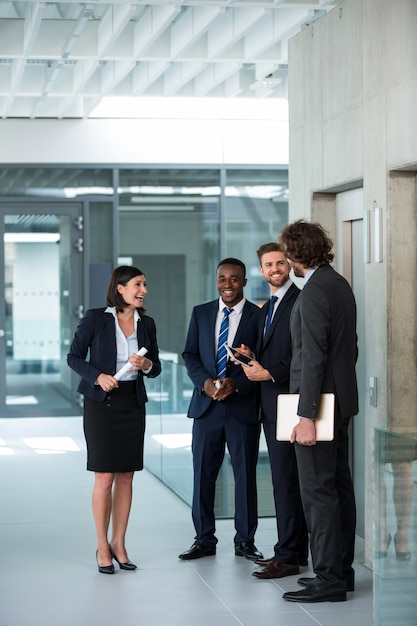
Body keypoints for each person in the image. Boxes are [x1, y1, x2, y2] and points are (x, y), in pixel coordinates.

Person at [279, 220, 358, 603]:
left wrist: (306, 415)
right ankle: (341, 571)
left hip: (318, 406)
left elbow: (312, 356)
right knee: (339, 487)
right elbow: (349, 348)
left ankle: (328, 579)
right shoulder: (338, 284)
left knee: (318, 491)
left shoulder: (311, 293)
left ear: (294, 255)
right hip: (339, 401)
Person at [67, 266, 161, 574]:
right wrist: (99, 376)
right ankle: (102, 545)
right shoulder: (96, 318)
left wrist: (146, 363)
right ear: (120, 288)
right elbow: (74, 357)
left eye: (144, 284)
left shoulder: (146, 323)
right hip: (101, 403)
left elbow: (155, 367)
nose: (143, 289)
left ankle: (119, 542)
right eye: (137, 284)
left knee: (126, 476)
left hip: (132, 403)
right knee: (104, 476)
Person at [179, 258, 263, 561]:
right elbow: (190, 354)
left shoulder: (258, 315)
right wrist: (204, 383)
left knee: (245, 476)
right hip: (206, 407)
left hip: (241, 407)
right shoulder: (200, 313)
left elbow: (262, 360)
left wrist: (236, 384)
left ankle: (245, 541)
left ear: (244, 282)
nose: (227, 285)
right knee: (203, 474)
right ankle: (204, 539)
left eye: (234, 279)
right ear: (216, 281)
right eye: (221, 279)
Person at [233, 242, 308, 579]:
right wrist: (250, 356)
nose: (275, 269)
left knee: (289, 482)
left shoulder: (300, 301)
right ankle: (288, 550)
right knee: (282, 482)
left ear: (289, 265)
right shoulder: (267, 308)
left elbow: (306, 356)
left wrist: (271, 372)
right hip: (271, 407)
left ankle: (290, 555)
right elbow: (274, 351)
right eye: (268, 264)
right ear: (260, 270)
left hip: (292, 405)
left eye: (280, 263)